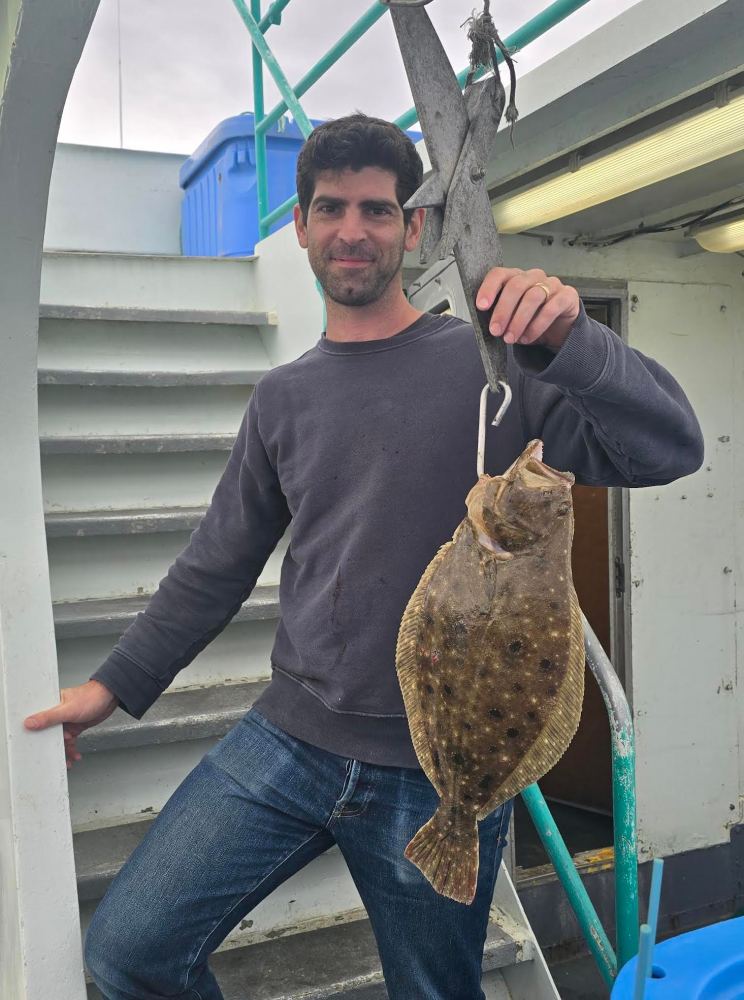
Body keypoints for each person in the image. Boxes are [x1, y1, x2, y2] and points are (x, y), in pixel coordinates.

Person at [24, 114, 703, 1000]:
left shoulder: (497, 367)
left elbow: (669, 450)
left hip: (444, 772)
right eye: (332, 208)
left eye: (379, 210)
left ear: (412, 227)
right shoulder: (281, 398)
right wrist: (110, 689)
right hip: (290, 737)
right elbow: (216, 565)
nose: (354, 230)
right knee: (127, 952)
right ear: (300, 226)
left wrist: (576, 338)